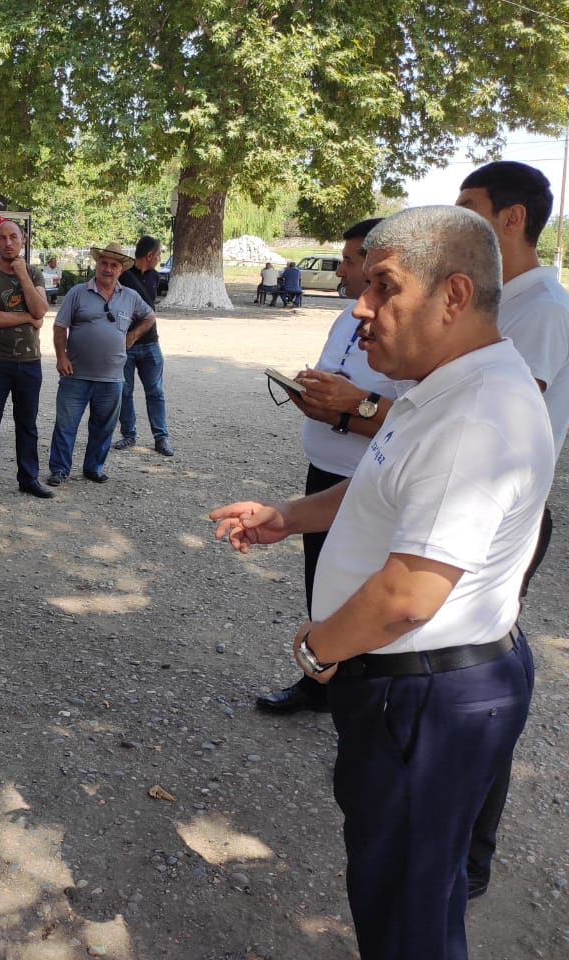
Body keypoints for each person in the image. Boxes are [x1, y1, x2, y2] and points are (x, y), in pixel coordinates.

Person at [211, 206, 551, 960]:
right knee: (405, 884)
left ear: (454, 296)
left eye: (382, 288)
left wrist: (317, 649)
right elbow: (378, 485)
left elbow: (407, 596)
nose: (359, 307)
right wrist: (289, 516)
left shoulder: (477, 416)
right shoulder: (439, 389)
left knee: (405, 908)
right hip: (420, 686)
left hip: (426, 693)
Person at [456, 159, 569, 899]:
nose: (459, 224)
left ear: (512, 220)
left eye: (470, 210)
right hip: (460, 501)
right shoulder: (502, 300)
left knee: (477, 680)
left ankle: (471, 855)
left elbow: (496, 412)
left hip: (499, 516)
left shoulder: (543, 310)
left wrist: (365, 415)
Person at [255, 218, 394, 715]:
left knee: (359, 587)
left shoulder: (411, 336)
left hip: (368, 481)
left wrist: (346, 409)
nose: (343, 266)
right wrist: (313, 390)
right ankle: (319, 684)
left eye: (353, 259)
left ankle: (359, 693)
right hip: (327, 472)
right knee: (324, 579)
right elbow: (340, 381)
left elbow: (411, 420)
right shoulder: (346, 316)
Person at [48, 243, 154, 485]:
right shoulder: (77, 292)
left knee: (103, 427)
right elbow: (59, 326)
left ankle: (94, 468)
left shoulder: (130, 297)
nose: (107, 268)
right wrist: (61, 357)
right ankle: (59, 470)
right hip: (75, 373)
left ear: (121, 270)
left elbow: (149, 317)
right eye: (103, 263)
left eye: (113, 265)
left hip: (112, 376)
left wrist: (133, 335)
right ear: (97, 265)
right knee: (66, 425)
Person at [0, 219, 55, 502]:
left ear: (24, 240)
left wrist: (22, 274)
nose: (8, 243)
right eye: (2, 237)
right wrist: (29, 317)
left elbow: (41, 310)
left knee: (27, 423)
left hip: (30, 361)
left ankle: (28, 478)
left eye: (13, 237)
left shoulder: (33, 272)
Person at [114, 235, 173, 457]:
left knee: (156, 392)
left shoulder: (155, 277)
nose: (160, 258)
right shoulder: (123, 276)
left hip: (150, 343)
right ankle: (129, 434)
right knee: (124, 391)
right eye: (159, 254)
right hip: (126, 343)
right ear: (150, 255)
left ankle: (161, 438)